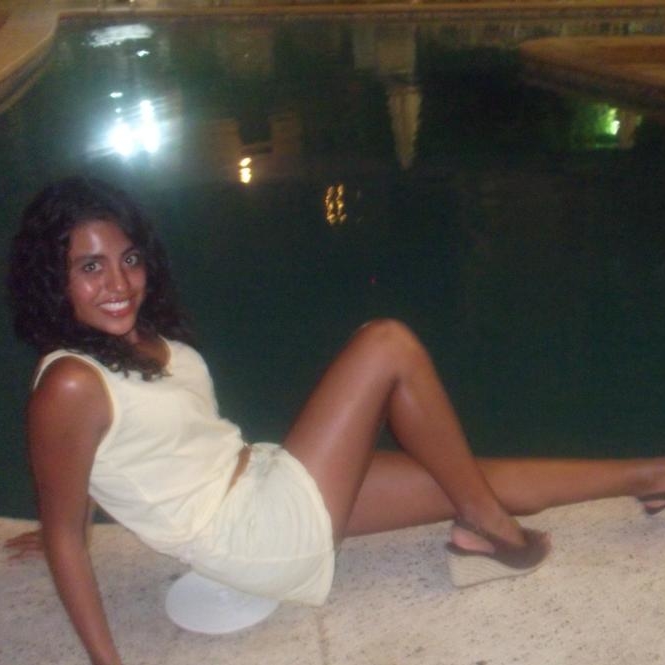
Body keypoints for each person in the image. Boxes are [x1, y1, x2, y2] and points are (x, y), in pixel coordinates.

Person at [5, 176, 665, 665]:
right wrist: (98, 634)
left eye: (128, 258)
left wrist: (80, 515)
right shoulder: (70, 382)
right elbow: (68, 521)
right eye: (89, 267)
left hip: (260, 483)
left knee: (465, 475)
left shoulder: (129, 338)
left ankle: (648, 475)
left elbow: (127, 449)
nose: (119, 283)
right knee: (386, 344)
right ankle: (490, 528)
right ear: (53, 279)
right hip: (252, 535)